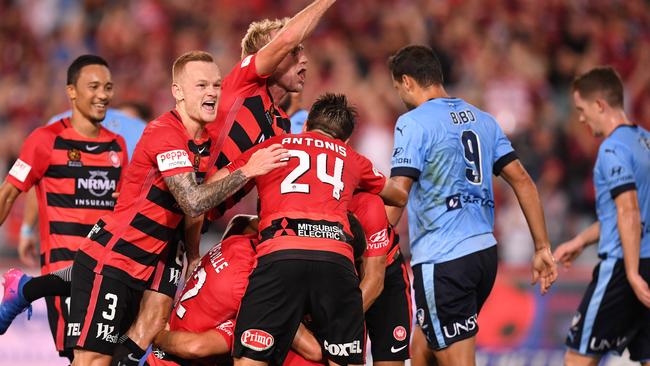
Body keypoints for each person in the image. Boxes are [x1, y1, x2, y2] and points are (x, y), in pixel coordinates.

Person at [64, 50, 288, 366]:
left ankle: (30, 288)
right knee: (93, 359)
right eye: (201, 85)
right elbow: (192, 201)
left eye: (216, 85)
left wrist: (193, 253)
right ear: (177, 92)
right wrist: (248, 170)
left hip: (159, 256)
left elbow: (191, 212)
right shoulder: (165, 133)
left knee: (149, 329)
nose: (212, 92)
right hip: (116, 257)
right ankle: (26, 289)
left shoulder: (207, 143)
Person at [385, 45, 557, 366]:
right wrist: (542, 246)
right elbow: (522, 180)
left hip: (443, 259)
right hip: (483, 256)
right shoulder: (483, 119)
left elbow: (398, 194)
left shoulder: (413, 123)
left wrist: (371, 238)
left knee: (456, 357)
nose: (399, 96)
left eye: (397, 88)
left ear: (407, 81)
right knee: (423, 346)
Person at [223, 93, 407, 366]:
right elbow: (400, 195)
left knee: (250, 358)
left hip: (283, 253)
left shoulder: (275, 147)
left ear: (306, 125)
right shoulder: (353, 160)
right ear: (345, 141)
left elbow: (221, 182)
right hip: (337, 260)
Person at [0, 55, 129, 361]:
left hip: (106, 270)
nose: (103, 94)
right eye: (93, 86)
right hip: (64, 269)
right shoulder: (45, 140)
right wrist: (29, 228)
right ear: (71, 91)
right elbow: (9, 194)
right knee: (85, 357)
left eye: (108, 87)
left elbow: (123, 210)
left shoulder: (118, 146)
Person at [553, 67, 650, 366]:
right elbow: (621, 214)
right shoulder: (645, 141)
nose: (581, 118)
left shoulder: (612, 149)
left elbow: (629, 210)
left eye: (582, 109)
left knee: (577, 359)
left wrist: (631, 273)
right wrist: (581, 241)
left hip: (623, 267)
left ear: (600, 105)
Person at [208, 0, 335, 218]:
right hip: (179, 203)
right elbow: (287, 38)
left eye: (301, 52)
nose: (304, 60)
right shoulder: (244, 83)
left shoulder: (281, 126)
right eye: (293, 52)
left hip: (201, 222)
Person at [349, 192, 411, 366]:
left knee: (389, 359)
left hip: (386, 272)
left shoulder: (368, 203)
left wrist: (339, 322)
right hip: (344, 277)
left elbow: (375, 281)